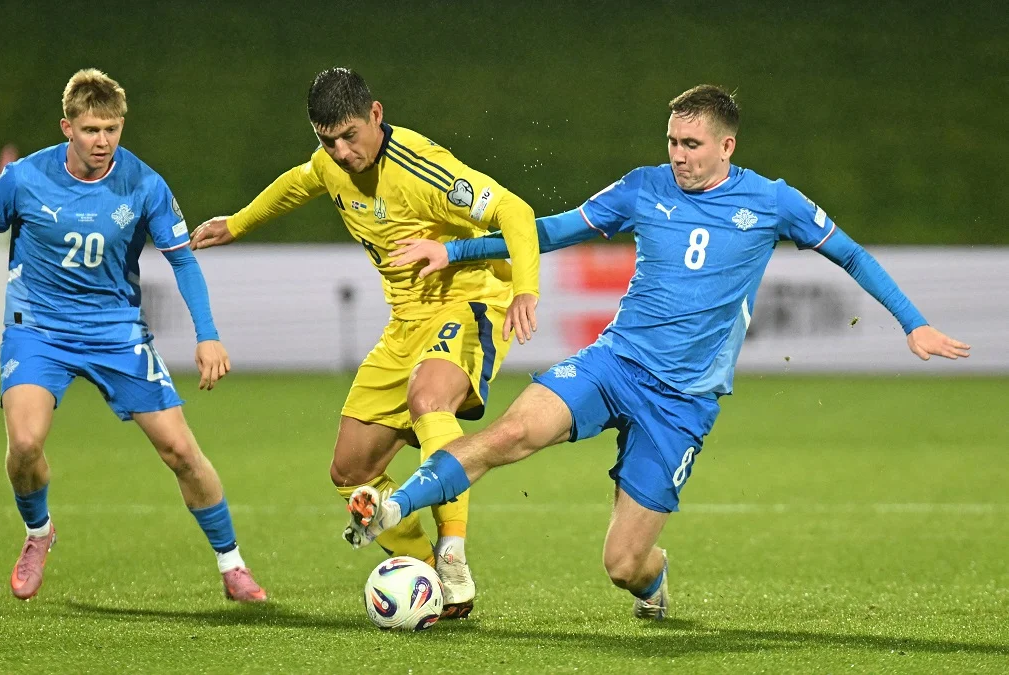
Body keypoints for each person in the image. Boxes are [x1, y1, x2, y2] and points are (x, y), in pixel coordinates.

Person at [343, 84, 970, 620]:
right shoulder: (644, 188)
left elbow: (852, 255)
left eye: (691, 144)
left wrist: (913, 324)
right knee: (512, 433)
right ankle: (393, 506)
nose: (678, 155)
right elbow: (554, 230)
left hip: (682, 403)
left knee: (623, 564)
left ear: (727, 146)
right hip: (614, 363)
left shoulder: (773, 202)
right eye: (672, 141)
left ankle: (653, 578)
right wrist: (455, 250)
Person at [189, 67, 540, 618]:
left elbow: (514, 211)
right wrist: (238, 223)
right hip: (405, 323)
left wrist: (525, 289)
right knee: (350, 472)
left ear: (376, 115)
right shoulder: (331, 162)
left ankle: (453, 553)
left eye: (350, 136)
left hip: (469, 301)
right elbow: (300, 181)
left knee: (429, 398)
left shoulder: (422, 168)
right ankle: (428, 574)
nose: (341, 152)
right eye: (327, 140)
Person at [0, 68, 267, 602]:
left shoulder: (145, 184)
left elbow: (182, 261)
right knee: (25, 445)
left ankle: (233, 564)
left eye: (111, 129)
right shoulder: (23, 179)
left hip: (116, 332)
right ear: (68, 127)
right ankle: (39, 533)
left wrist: (208, 335)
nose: (102, 141)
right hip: (38, 330)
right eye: (90, 130)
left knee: (180, 450)